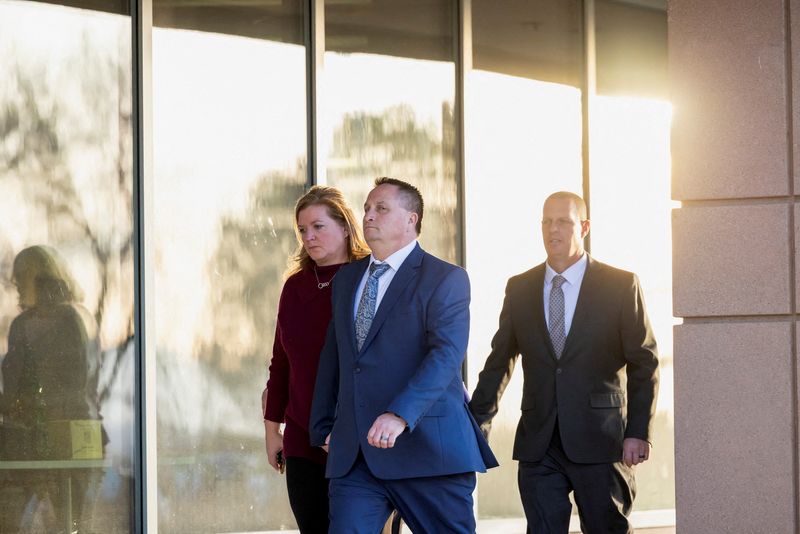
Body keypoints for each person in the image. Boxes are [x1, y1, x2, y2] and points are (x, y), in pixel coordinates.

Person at [310, 177, 498, 534]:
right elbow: (335, 355)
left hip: (428, 452)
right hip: (358, 457)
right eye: (366, 208)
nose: (368, 216)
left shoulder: (446, 278)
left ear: (411, 219)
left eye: (381, 208)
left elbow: (446, 356)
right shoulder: (347, 279)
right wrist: (322, 425)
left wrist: (399, 414)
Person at [469, 191, 660, 534]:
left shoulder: (620, 285)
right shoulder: (520, 288)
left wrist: (638, 432)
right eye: (546, 221)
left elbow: (644, 363)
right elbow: (499, 362)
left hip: (601, 440)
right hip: (539, 441)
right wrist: (476, 426)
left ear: (584, 227)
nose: (552, 229)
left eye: (563, 221)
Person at [262, 185, 370, 534]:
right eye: (303, 230)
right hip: (302, 442)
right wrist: (271, 430)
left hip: (359, 442)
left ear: (344, 226)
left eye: (318, 226)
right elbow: (281, 365)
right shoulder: (294, 288)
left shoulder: (370, 279)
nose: (309, 236)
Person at [0, 245, 104, 533]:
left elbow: (73, 386)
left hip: (65, 443)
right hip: (40, 443)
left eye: (21, 275)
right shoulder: (25, 324)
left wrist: (21, 406)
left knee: (70, 525)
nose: (14, 283)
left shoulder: (70, 320)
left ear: (40, 274)